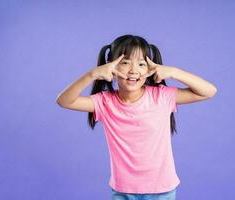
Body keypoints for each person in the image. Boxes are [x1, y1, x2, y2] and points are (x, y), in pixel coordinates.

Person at [56, 34, 217, 200]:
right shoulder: (104, 102)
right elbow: (64, 101)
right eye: (125, 63)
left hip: (161, 190)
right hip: (122, 191)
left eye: (141, 64)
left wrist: (174, 72)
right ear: (111, 66)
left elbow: (209, 91)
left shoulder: (161, 96)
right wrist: (92, 74)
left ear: (149, 69)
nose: (133, 70)